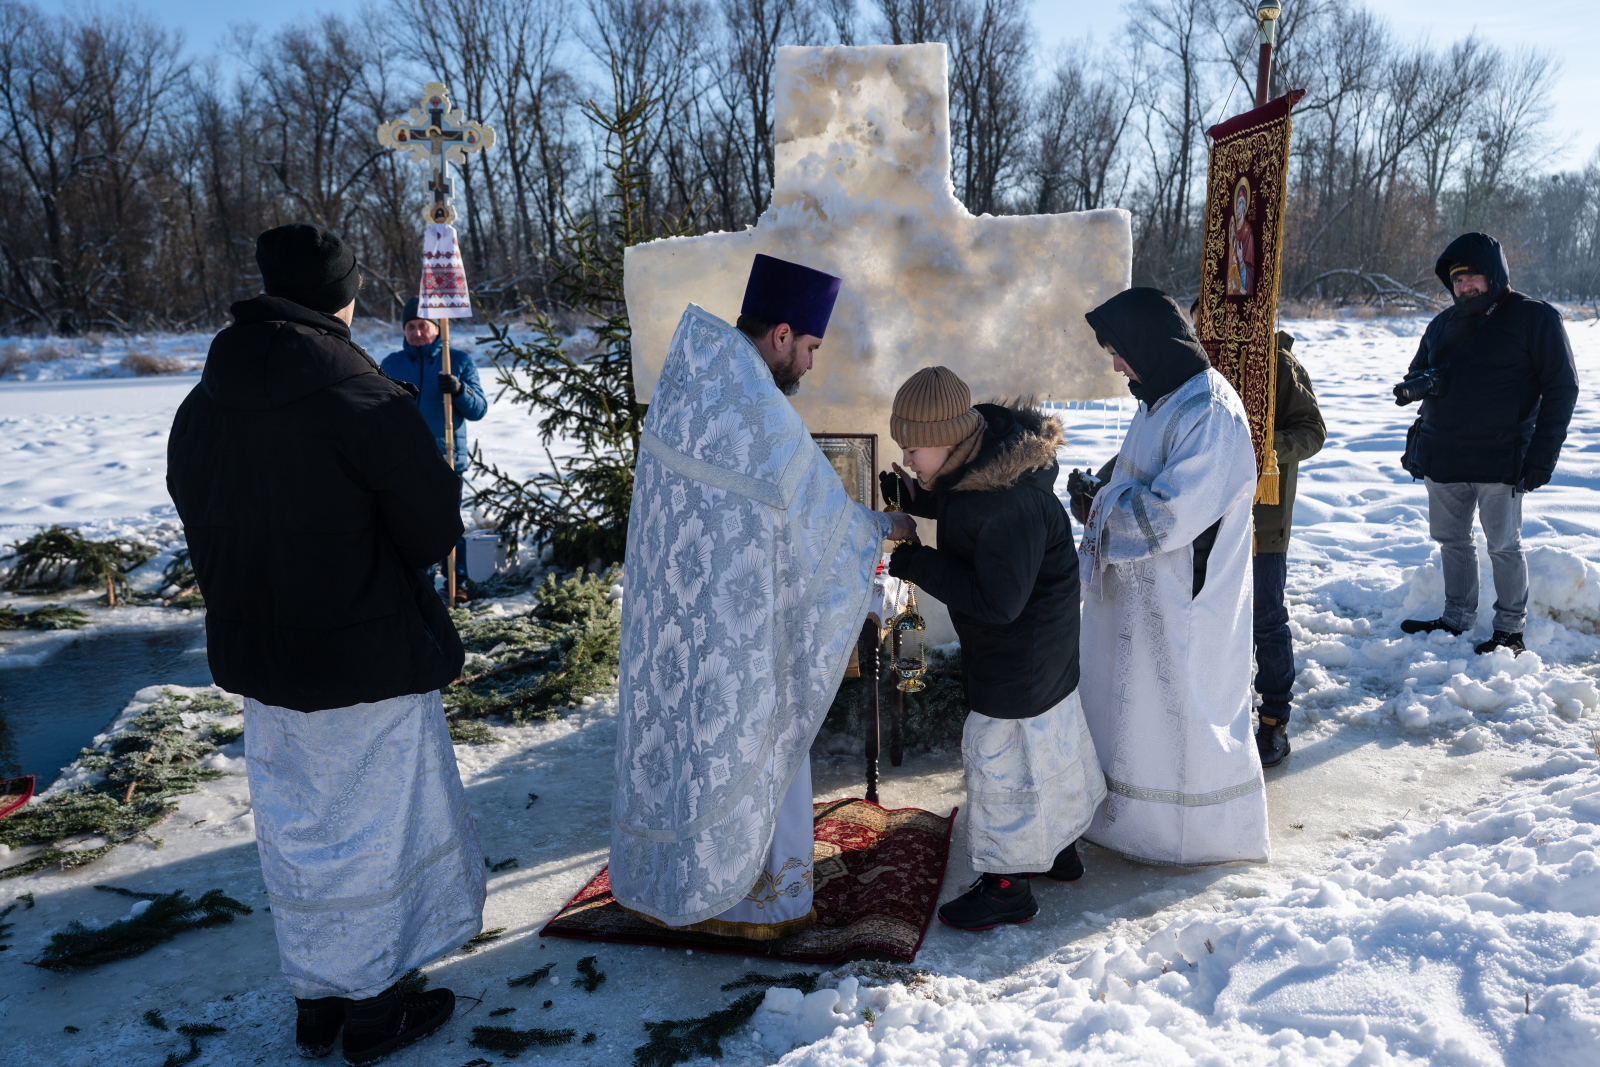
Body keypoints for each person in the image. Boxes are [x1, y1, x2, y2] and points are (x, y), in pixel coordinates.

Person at [166, 223, 484, 1063]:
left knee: (300, 830)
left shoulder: (203, 402)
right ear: (340, 298)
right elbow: (428, 531)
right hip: (365, 654)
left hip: (263, 660)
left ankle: (318, 1001)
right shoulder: (364, 396)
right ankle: (374, 1011)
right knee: (372, 833)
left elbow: (196, 514)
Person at [608, 253, 916, 939]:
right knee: (755, 743)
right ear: (781, 334)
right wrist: (880, 529)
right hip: (740, 636)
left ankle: (677, 883)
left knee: (687, 752)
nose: (808, 364)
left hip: (678, 624)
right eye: (807, 348)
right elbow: (820, 524)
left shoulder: (692, 381)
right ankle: (751, 900)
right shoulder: (757, 407)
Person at [879, 367, 1104, 931]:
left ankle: (1007, 885)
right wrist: (920, 498)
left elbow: (997, 599)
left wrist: (913, 560)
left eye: (913, 450)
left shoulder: (1006, 503)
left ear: (950, 439)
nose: (907, 457)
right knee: (1047, 747)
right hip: (1038, 647)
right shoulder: (982, 466)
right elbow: (966, 510)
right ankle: (1057, 850)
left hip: (1019, 649)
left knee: (1001, 757)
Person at [1075, 287, 1269, 868]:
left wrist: (1102, 508)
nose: (1115, 364)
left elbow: (1167, 516)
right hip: (1143, 593)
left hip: (1185, 596)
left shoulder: (1208, 411)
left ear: (1147, 344)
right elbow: (1137, 471)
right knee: (1133, 708)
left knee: (1181, 710)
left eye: (1118, 351)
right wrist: (1099, 490)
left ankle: (1191, 835)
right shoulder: (1160, 395)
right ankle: (1129, 821)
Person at [1396, 232, 1579, 655]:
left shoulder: (1536, 318)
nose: (1464, 287)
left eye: (1473, 277)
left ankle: (1510, 631)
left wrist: (1542, 457)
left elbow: (1562, 388)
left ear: (1494, 276)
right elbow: (1416, 373)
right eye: (1457, 281)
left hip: (1501, 457)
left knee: (1503, 545)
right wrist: (1426, 384)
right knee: (1452, 542)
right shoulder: (1443, 323)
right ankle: (1456, 618)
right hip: (1444, 456)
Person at [379, 297, 488, 593]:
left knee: (448, 521)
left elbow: (478, 410)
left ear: (437, 328)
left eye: (422, 326)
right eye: (410, 327)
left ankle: (458, 583)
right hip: (405, 459)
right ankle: (420, 586)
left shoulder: (459, 362)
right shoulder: (391, 364)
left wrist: (459, 390)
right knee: (414, 525)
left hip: (446, 457)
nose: (416, 332)